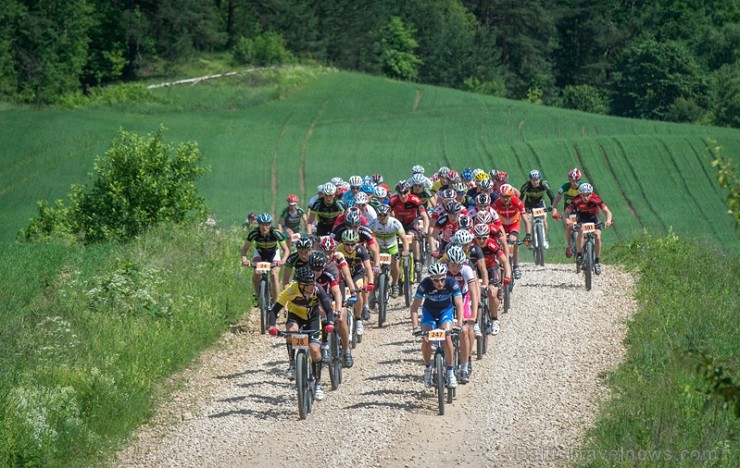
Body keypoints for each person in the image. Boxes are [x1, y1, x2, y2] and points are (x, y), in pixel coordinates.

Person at [267, 267, 335, 401]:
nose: (313, 285)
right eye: (310, 284)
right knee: (292, 332)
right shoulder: (291, 290)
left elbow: (328, 309)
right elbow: (274, 310)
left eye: (313, 282)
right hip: (295, 316)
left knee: (315, 350)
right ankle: (292, 364)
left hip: (313, 318)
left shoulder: (317, 289)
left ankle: (318, 384)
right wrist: (272, 325)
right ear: (301, 285)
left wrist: (330, 323)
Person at [410, 262, 464, 389]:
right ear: (430, 279)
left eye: (442, 279)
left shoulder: (451, 283)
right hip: (429, 313)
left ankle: (450, 372)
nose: (440, 283)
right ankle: (428, 369)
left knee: (447, 337)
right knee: (426, 339)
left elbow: (459, 304)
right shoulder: (424, 285)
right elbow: (414, 308)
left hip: (446, 311)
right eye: (436, 280)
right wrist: (415, 327)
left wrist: (459, 323)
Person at [443, 245, 479, 384]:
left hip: (463, 299)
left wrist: (474, 315)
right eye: (453, 264)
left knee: (465, 330)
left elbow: (473, 294)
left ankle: (464, 366)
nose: (455, 268)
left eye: (458, 265)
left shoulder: (467, 270)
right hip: (447, 300)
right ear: (448, 262)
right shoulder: (443, 270)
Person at [563, 183, 613, 275]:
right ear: (580, 194)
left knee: (597, 236)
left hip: (594, 217)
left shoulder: (596, 199)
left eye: (588, 194)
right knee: (581, 231)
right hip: (582, 218)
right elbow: (566, 213)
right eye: (584, 195)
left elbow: (607, 211)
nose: (586, 197)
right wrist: (568, 220)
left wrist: (608, 220)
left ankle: (597, 262)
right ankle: (579, 255)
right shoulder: (576, 200)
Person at [241, 213, 290, 302]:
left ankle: (275, 305)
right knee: (257, 272)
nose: (264, 227)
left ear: (270, 225)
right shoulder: (254, 233)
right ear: (258, 224)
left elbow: (286, 250)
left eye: (267, 224)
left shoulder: (276, 233)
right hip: (260, 253)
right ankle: (257, 295)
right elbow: (244, 250)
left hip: (273, 254)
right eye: (262, 224)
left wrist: (283, 260)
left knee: (274, 275)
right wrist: (244, 259)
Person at [473, 223, 511, 334]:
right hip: (477, 270)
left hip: (491, 269)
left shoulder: (492, 245)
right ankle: (475, 320)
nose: (481, 240)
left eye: (484, 237)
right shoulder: (471, 245)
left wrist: (508, 276)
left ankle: (495, 319)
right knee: (475, 293)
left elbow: (505, 262)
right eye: (478, 238)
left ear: (488, 236)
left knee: (492, 292)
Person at [368, 203, 410, 298]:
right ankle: (372, 292)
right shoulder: (372, 224)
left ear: (389, 214)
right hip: (377, 248)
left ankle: (394, 284)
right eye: (379, 215)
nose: (382, 217)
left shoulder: (395, 223)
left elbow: (404, 239)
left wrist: (406, 249)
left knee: (395, 265)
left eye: (385, 215)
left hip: (392, 247)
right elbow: (366, 238)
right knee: (373, 269)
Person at [389, 181, 429, 276]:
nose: (403, 196)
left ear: (409, 192)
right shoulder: (393, 200)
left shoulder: (415, 200)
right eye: (400, 193)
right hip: (398, 223)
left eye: (405, 192)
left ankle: (417, 261)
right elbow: (389, 215)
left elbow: (425, 217)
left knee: (414, 236)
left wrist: (425, 229)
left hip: (411, 222)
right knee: (396, 240)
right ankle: (395, 264)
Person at [492, 184, 531, 280]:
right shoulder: (496, 204)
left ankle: (516, 266)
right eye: (502, 197)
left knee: (513, 241)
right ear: (499, 196)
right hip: (501, 226)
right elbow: (490, 218)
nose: (505, 199)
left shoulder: (517, 202)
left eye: (507, 197)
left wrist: (528, 235)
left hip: (514, 224)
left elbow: (526, 220)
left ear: (511, 195)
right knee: (499, 242)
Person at [551, 168, 586, 257]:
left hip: (580, 209)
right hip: (568, 209)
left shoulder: (583, 187)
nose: (574, 183)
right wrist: (554, 210)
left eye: (577, 181)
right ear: (569, 180)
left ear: (580, 180)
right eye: (572, 181)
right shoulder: (565, 187)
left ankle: (587, 244)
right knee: (569, 226)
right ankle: (569, 246)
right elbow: (556, 200)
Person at [519, 170, 558, 249]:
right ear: (530, 179)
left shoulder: (544, 184)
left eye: (537, 179)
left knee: (544, 221)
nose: (535, 182)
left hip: (540, 204)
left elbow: (552, 197)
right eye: (533, 180)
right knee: (528, 220)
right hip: (529, 205)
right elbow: (519, 200)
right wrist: (522, 209)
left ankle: (544, 238)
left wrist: (551, 206)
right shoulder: (526, 186)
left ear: (540, 179)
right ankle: (528, 241)